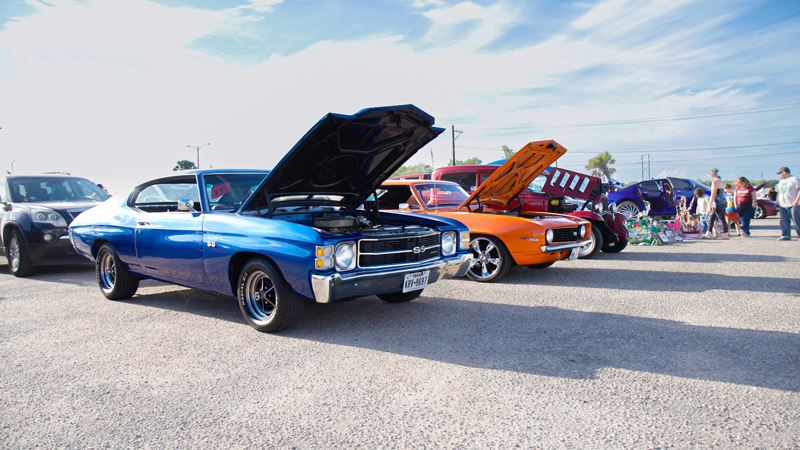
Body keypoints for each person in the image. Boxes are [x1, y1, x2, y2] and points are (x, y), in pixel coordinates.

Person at [776, 166, 800, 240]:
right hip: (783, 204)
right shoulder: (781, 181)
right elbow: (779, 192)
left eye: (780, 173)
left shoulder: (794, 179)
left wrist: (796, 200)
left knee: (796, 220)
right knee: (784, 220)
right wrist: (778, 201)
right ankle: (786, 234)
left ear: (784, 172)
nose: (779, 175)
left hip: (793, 204)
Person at [704, 168, 729, 239]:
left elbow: (713, 193)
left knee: (722, 218)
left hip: (718, 202)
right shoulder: (720, 180)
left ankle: (725, 234)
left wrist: (709, 204)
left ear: (712, 174)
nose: (708, 175)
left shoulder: (714, 181)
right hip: (722, 201)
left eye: (709, 174)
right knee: (712, 217)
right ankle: (708, 233)